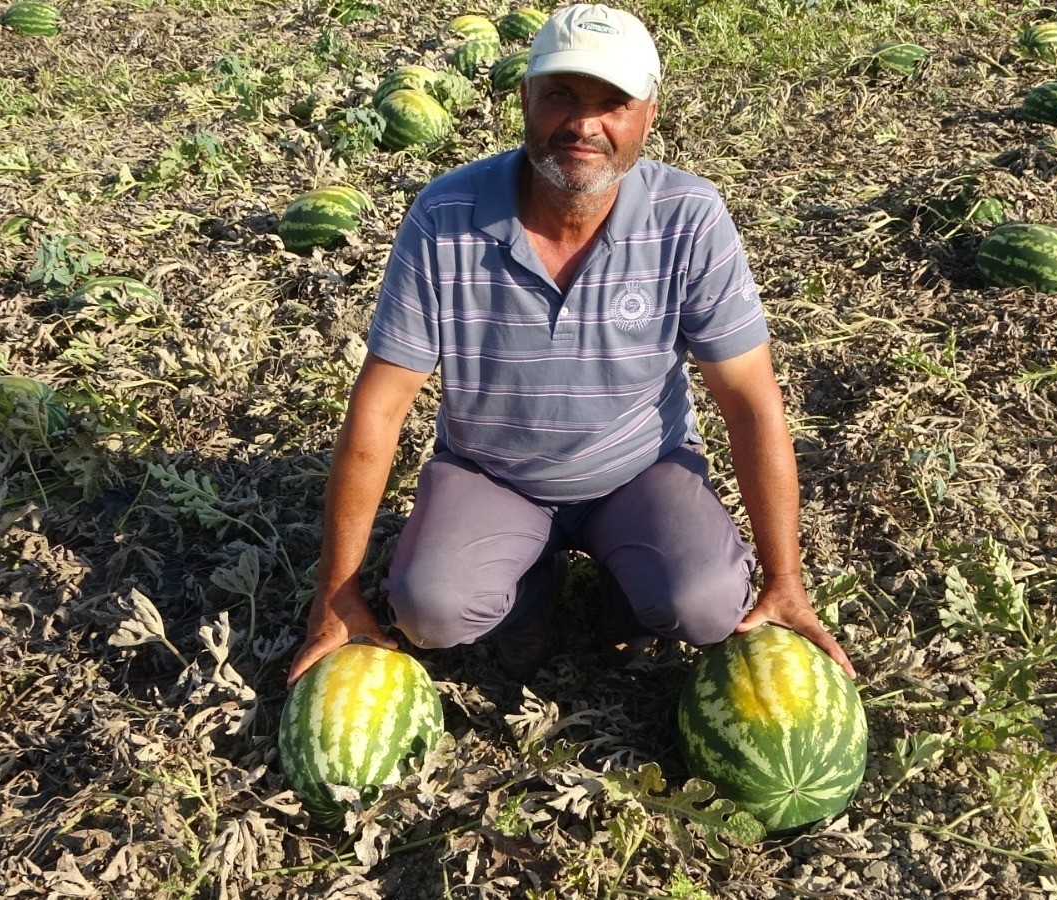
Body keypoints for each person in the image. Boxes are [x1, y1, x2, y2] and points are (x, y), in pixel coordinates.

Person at [288, 4, 854, 686]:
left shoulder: (689, 217)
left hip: (642, 471)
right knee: (428, 607)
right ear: (525, 98)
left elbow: (752, 403)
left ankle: (627, 603)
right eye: (561, 95)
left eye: (613, 103)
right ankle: (529, 602)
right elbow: (379, 409)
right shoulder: (445, 217)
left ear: (648, 114)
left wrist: (786, 578)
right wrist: (336, 591)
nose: (584, 125)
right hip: (492, 475)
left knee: (705, 605)